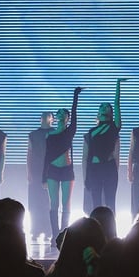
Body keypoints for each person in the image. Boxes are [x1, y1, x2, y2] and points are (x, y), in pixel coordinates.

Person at [82, 78, 127, 212]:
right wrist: (85, 178)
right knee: (95, 202)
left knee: (110, 201)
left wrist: (118, 86)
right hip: (94, 169)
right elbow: (85, 157)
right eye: (102, 106)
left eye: (107, 106)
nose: (104, 108)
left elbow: (117, 105)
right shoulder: (91, 132)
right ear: (98, 113)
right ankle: (96, 224)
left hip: (109, 167)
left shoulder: (113, 127)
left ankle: (111, 224)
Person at [44, 87, 83, 238]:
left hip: (67, 170)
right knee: (54, 203)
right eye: (58, 112)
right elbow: (47, 156)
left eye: (64, 113)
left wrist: (75, 95)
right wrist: (43, 176)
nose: (61, 114)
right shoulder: (50, 134)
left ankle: (64, 233)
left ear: (67, 118)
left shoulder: (70, 130)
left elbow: (75, 112)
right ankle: (55, 234)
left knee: (66, 203)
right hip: (52, 170)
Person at [26, 111, 54, 240]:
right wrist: (29, 172)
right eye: (43, 116)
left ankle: (49, 230)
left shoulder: (56, 133)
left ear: (52, 119)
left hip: (52, 170)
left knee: (49, 201)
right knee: (35, 201)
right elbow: (29, 153)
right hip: (36, 170)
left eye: (48, 115)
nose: (44, 117)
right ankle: (35, 230)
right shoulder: (33, 135)